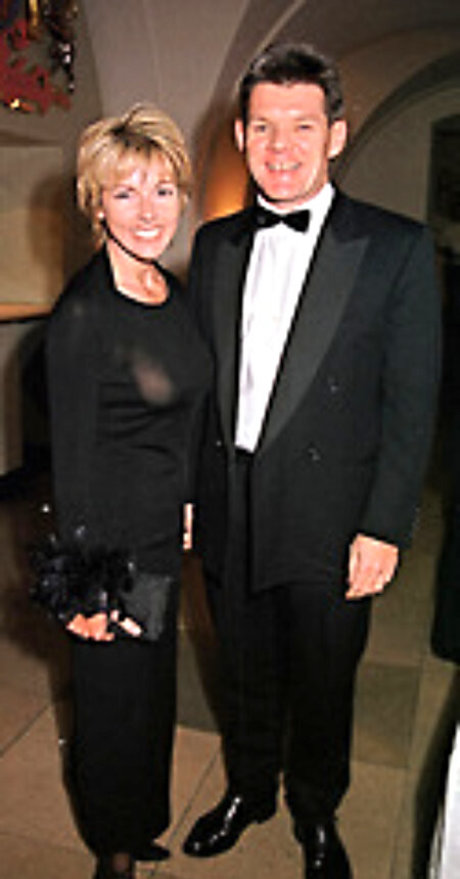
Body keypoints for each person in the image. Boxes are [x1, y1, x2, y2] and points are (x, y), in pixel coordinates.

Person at [181, 43, 441, 878]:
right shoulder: (214, 245)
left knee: (325, 680)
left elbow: (411, 402)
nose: (281, 146)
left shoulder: (396, 248)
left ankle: (316, 808)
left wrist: (384, 524)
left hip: (332, 512)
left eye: (301, 125)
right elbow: (200, 386)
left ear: (336, 134)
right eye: (263, 126)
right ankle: (249, 788)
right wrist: (189, 492)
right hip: (231, 498)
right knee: (242, 666)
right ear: (239, 134)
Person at [46, 104, 211, 879]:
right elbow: (72, 465)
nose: (149, 211)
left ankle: (140, 819)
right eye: (126, 192)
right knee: (112, 710)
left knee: (150, 694)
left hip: (160, 536)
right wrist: (83, 588)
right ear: (96, 203)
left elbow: (185, 412)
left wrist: (186, 500)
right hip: (109, 546)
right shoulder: (84, 314)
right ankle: (112, 853)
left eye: (163, 190)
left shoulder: (168, 291)